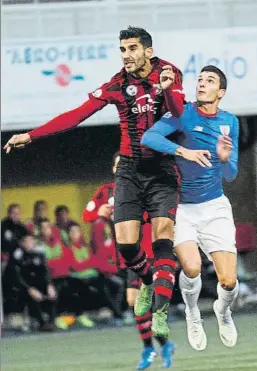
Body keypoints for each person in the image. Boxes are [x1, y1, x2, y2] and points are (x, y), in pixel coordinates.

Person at [4, 26, 185, 337]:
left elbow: (179, 115)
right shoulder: (117, 84)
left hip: (162, 169)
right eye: (122, 50)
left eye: (131, 49)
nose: (126, 55)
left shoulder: (168, 74)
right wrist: (31, 136)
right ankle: (144, 280)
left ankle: (162, 309)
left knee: (162, 238)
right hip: (129, 169)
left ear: (147, 51)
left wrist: (167, 89)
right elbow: (76, 115)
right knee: (127, 246)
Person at [142, 65, 239, 350]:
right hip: (182, 207)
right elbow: (149, 137)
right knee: (192, 267)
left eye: (209, 81)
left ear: (220, 92)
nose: (201, 83)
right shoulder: (182, 113)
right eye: (199, 79)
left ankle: (223, 313)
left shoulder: (230, 121)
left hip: (215, 207)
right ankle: (192, 313)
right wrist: (183, 151)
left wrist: (224, 158)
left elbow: (231, 174)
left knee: (229, 281)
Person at [83, 151, 175, 369]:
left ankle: (151, 348)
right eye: (117, 165)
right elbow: (87, 215)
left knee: (135, 302)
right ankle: (163, 344)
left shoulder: (142, 187)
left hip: (145, 253)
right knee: (137, 304)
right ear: (114, 169)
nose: (120, 168)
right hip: (125, 257)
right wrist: (100, 214)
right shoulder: (105, 192)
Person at [2, 232, 57, 331]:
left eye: (31, 241)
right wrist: (29, 289)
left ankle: (52, 321)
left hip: (37, 284)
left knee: (52, 292)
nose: (29, 243)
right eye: (26, 241)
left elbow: (45, 271)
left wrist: (49, 285)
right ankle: (42, 323)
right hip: (21, 287)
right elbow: (16, 277)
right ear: (22, 243)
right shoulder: (17, 256)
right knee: (32, 296)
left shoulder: (39, 254)